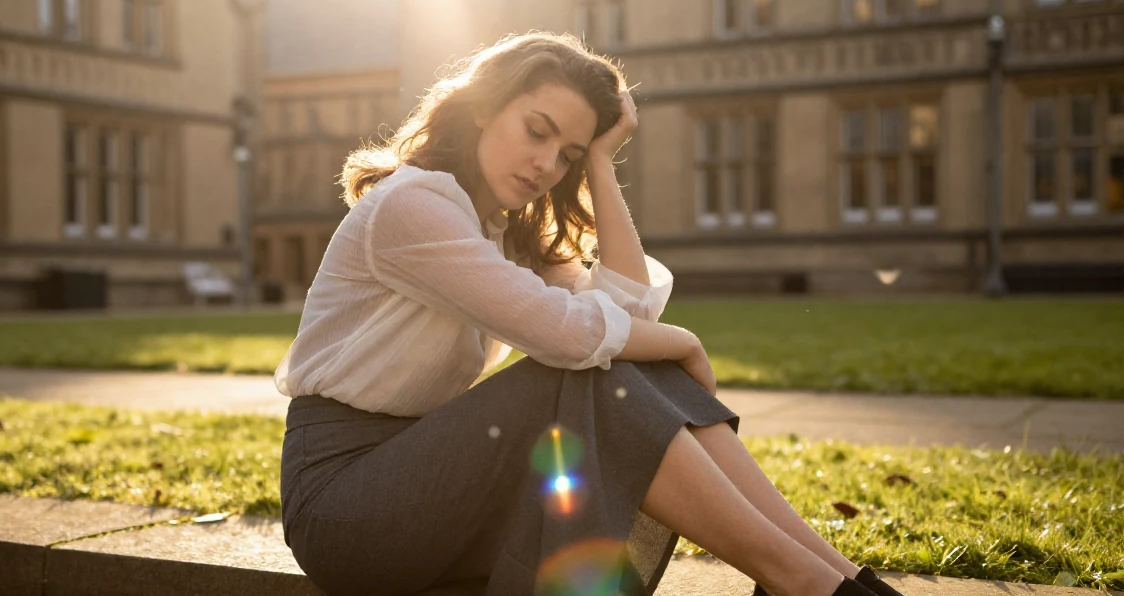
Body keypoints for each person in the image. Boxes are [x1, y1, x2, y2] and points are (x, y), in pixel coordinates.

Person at [275, 32, 903, 596]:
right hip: (346, 508)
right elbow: (573, 336)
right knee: (585, 368)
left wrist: (601, 161)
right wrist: (682, 341)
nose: (547, 165)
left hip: (434, 484)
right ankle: (802, 582)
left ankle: (835, 575)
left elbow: (626, 311)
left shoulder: (501, 228)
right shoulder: (412, 207)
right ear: (485, 106)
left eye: (567, 154)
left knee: (621, 359)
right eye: (537, 131)